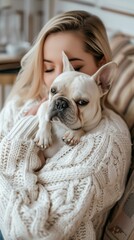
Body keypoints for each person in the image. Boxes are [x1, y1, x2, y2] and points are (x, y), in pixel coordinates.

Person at [0, 10, 131, 240]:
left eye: (75, 68)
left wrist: (25, 132)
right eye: (49, 68)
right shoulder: (27, 102)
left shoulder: (104, 142)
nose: (61, 78)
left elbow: (28, 232)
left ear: (102, 74)